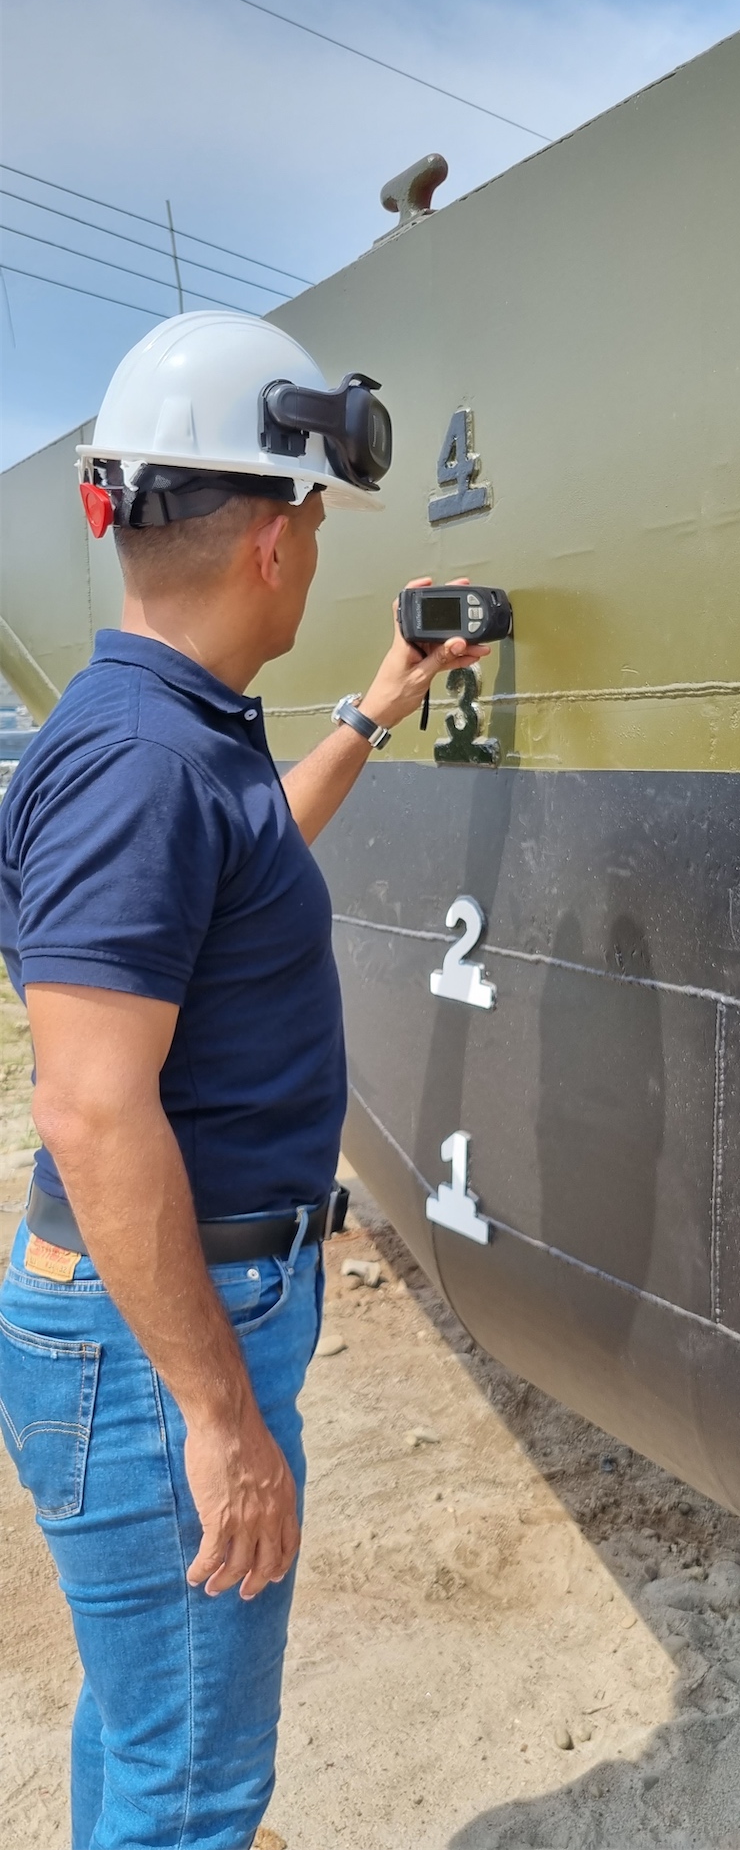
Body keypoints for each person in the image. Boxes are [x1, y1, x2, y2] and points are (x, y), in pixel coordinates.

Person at [0, 310, 488, 1850]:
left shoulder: (164, 733)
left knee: (144, 1729)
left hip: (159, 1316)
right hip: (162, 1342)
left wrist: (372, 707)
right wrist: (216, 1414)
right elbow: (89, 1106)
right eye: (319, 525)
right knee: (193, 1786)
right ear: (276, 540)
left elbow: (241, 849)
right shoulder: (143, 764)